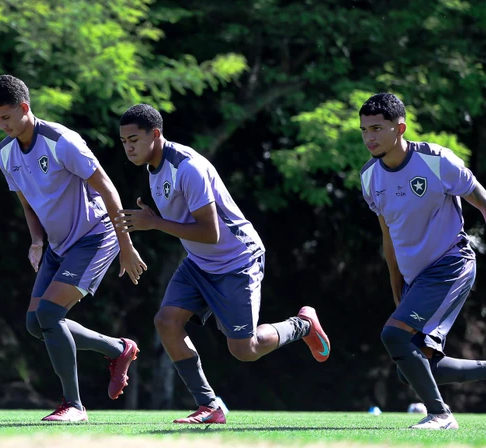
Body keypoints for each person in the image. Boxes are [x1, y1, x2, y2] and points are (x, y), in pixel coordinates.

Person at [115, 104, 331, 424]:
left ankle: (302, 325)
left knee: (245, 349)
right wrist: (154, 221)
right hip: (199, 263)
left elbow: (210, 232)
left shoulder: (187, 168)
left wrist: (155, 223)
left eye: (134, 139)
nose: (128, 148)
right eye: (124, 142)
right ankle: (209, 406)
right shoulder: (154, 168)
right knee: (166, 321)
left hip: (237, 261)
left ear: (155, 134)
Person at [358, 93, 486, 430]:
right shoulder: (369, 178)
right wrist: (398, 289)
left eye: (377, 128)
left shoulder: (436, 161)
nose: (369, 138)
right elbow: (388, 237)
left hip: (451, 265)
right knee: (413, 367)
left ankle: (440, 415)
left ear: (400, 128)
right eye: (364, 130)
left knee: (393, 336)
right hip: (417, 280)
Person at [0, 75, 147, 422]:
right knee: (35, 323)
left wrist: (126, 244)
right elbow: (27, 203)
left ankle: (74, 406)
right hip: (58, 245)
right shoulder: (4, 153)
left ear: (24, 108)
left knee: (48, 315)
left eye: (7, 117)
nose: (2, 125)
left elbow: (107, 188)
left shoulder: (62, 141)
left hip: (95, 236)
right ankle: (118, 349)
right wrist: (36, 241)